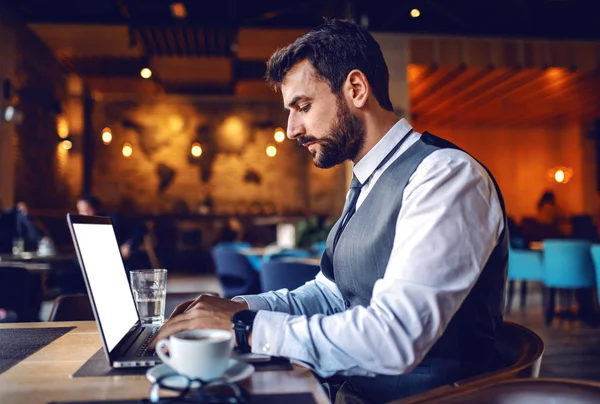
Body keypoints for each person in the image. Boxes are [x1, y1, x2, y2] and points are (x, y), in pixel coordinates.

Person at [150, 20, 507, 403]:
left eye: (303, 106)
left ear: (356, 89)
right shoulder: (368, 180)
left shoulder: (446, 176)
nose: (291, 129)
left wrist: (243, 327)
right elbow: (334, 294)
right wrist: (237, 306)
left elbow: (396, 338)